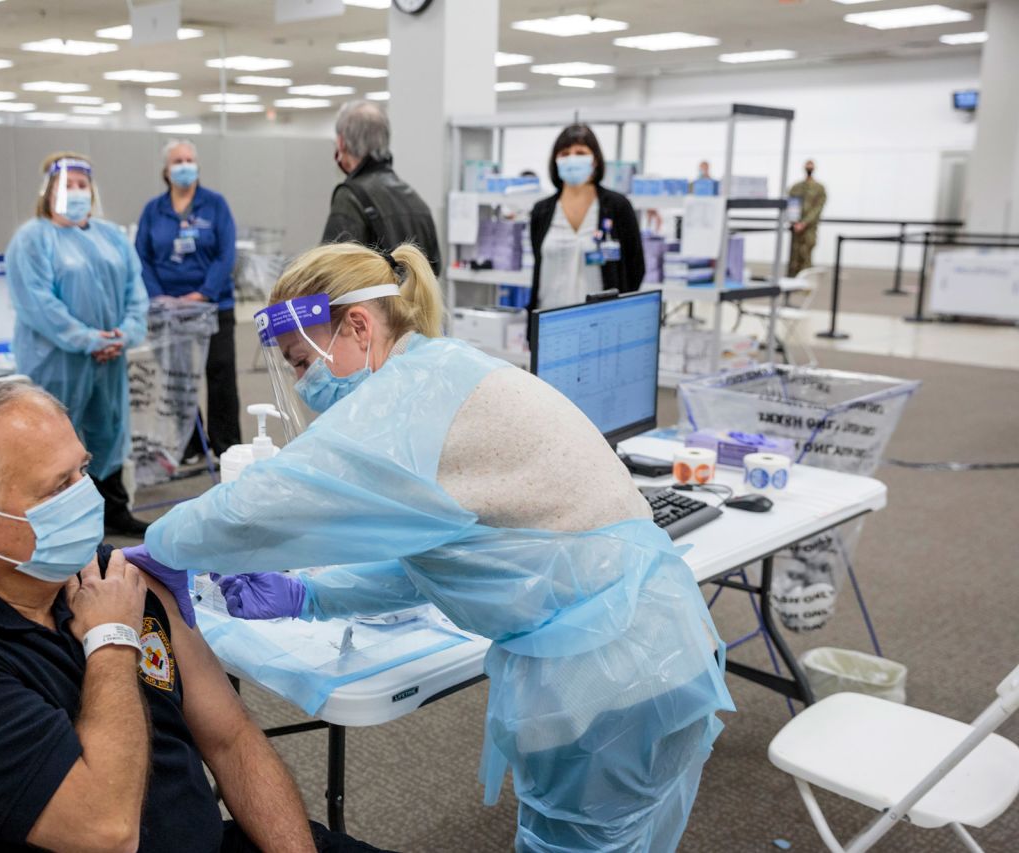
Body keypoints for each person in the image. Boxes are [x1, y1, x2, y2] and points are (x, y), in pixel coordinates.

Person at [143, 241, 734, 852]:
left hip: (602, 683)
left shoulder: (407, 402)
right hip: (666, 649)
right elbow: (443, 559)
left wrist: (158, 546)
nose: (301, 383)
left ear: (357, 325)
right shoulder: (445, 369)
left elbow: (259, 504)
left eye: (300, 362)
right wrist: (308, 594)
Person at [0, 381, 392, 853]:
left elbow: (230, 737)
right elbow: (107, 831)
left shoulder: (110, 575)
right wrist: (111, 641)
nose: (86, 498)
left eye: (83, 470)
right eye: (58, 487)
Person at [6, 152, 150, 536]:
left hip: (110, 356)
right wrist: (86, 340)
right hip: (56, 359)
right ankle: (53, 520)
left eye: (81, 185)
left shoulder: (111, 237)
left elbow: (136, 291)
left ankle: (113, 509)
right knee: (53, 433)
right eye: (67, 186)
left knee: (110, 428)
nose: (76, 192)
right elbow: (37, 303)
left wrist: (124, 333)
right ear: (49, 191)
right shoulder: (32, 240)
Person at [135, 140, 242, 458]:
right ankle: (190, 446)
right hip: (168, 311)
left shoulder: (215, 204)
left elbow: (226, 254)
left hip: (213, 306)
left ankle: (226, 446)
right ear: (166, 171)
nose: (184, 166)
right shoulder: (153, 211)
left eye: (189, 160)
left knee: (220, 375)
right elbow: (141, 257)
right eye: (177, 161)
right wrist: (161, 297)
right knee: (178, 379)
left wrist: (202, 294)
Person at [528, 124, 644, 313]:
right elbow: (539, 264)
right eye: (564, 153)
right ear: (555, 161)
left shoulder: (617, 207)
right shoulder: (542, 211)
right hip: (549, 322)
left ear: (595, 160)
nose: (572, 158)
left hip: (602, 321)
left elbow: (635, 268)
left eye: (580, 153)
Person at [322, 101, 441, 276]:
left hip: (371, 304)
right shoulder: (417, 202)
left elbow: (330, 274)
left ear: (341, 143)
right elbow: (434, 270)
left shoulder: (351, 197)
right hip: (416, 304)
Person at [788, 159, 827, 276]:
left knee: (806, 254)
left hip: (809, 228)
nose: (809, 168)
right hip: (796, 227)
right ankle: (793, 282)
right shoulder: (796, 187)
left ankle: (806, 283)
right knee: (794, 255)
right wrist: (795, 223)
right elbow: (791, 205)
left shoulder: (819, 188)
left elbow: (818, 208)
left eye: (811, 165)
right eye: (807, 165)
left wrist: (804, 223)